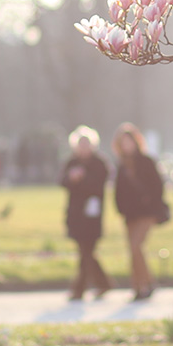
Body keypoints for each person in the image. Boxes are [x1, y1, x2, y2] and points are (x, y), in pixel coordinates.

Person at [113, 123, 167, 301]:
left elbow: (157, 185)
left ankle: (145, 284)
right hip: (130, 214)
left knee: (136, 246)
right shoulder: (121, 164)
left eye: (129, 141)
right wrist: (120, 208)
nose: (127, 145)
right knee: (133, 250)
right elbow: (118, 190)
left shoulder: (146, 161)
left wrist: (151, 202)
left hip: (147, 212)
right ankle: (140, 285)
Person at [60, 126, 112, 300]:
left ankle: (78, 289)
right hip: (76, 215)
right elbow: (62, 181)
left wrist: (82, 179)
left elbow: (98, 185)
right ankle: (103, 282)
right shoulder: (71, 162)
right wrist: (71, 178)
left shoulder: (99, 164)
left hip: (92, 215)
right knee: (86, 252)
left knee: (86, 251)